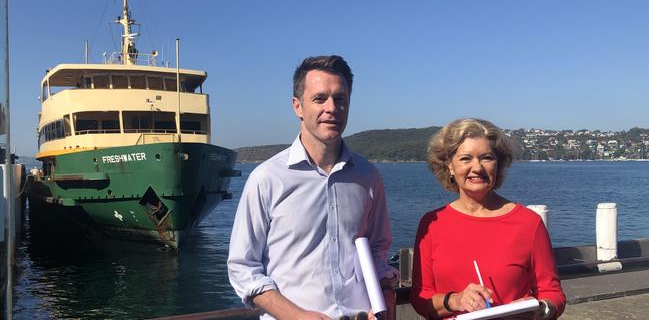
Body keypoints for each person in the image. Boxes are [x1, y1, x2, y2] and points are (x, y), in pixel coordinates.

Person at [228, 55, 399, 320]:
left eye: (340, 99)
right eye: (319, 99)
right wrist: (296, 316)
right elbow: (242, 268)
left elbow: (377, 250)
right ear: (297, 106)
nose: (331, 108)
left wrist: (386, 292)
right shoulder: (267, 178)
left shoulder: (368, 177)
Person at [410, 118, 566, 320]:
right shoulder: (432, 224)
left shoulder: (528, 223)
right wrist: (455, 300)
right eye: (466, 158)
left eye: (486, 158)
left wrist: (540, 309)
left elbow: (552, 292)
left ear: (498, 164)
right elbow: (420, 296)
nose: (477, 167)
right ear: (449, 165)